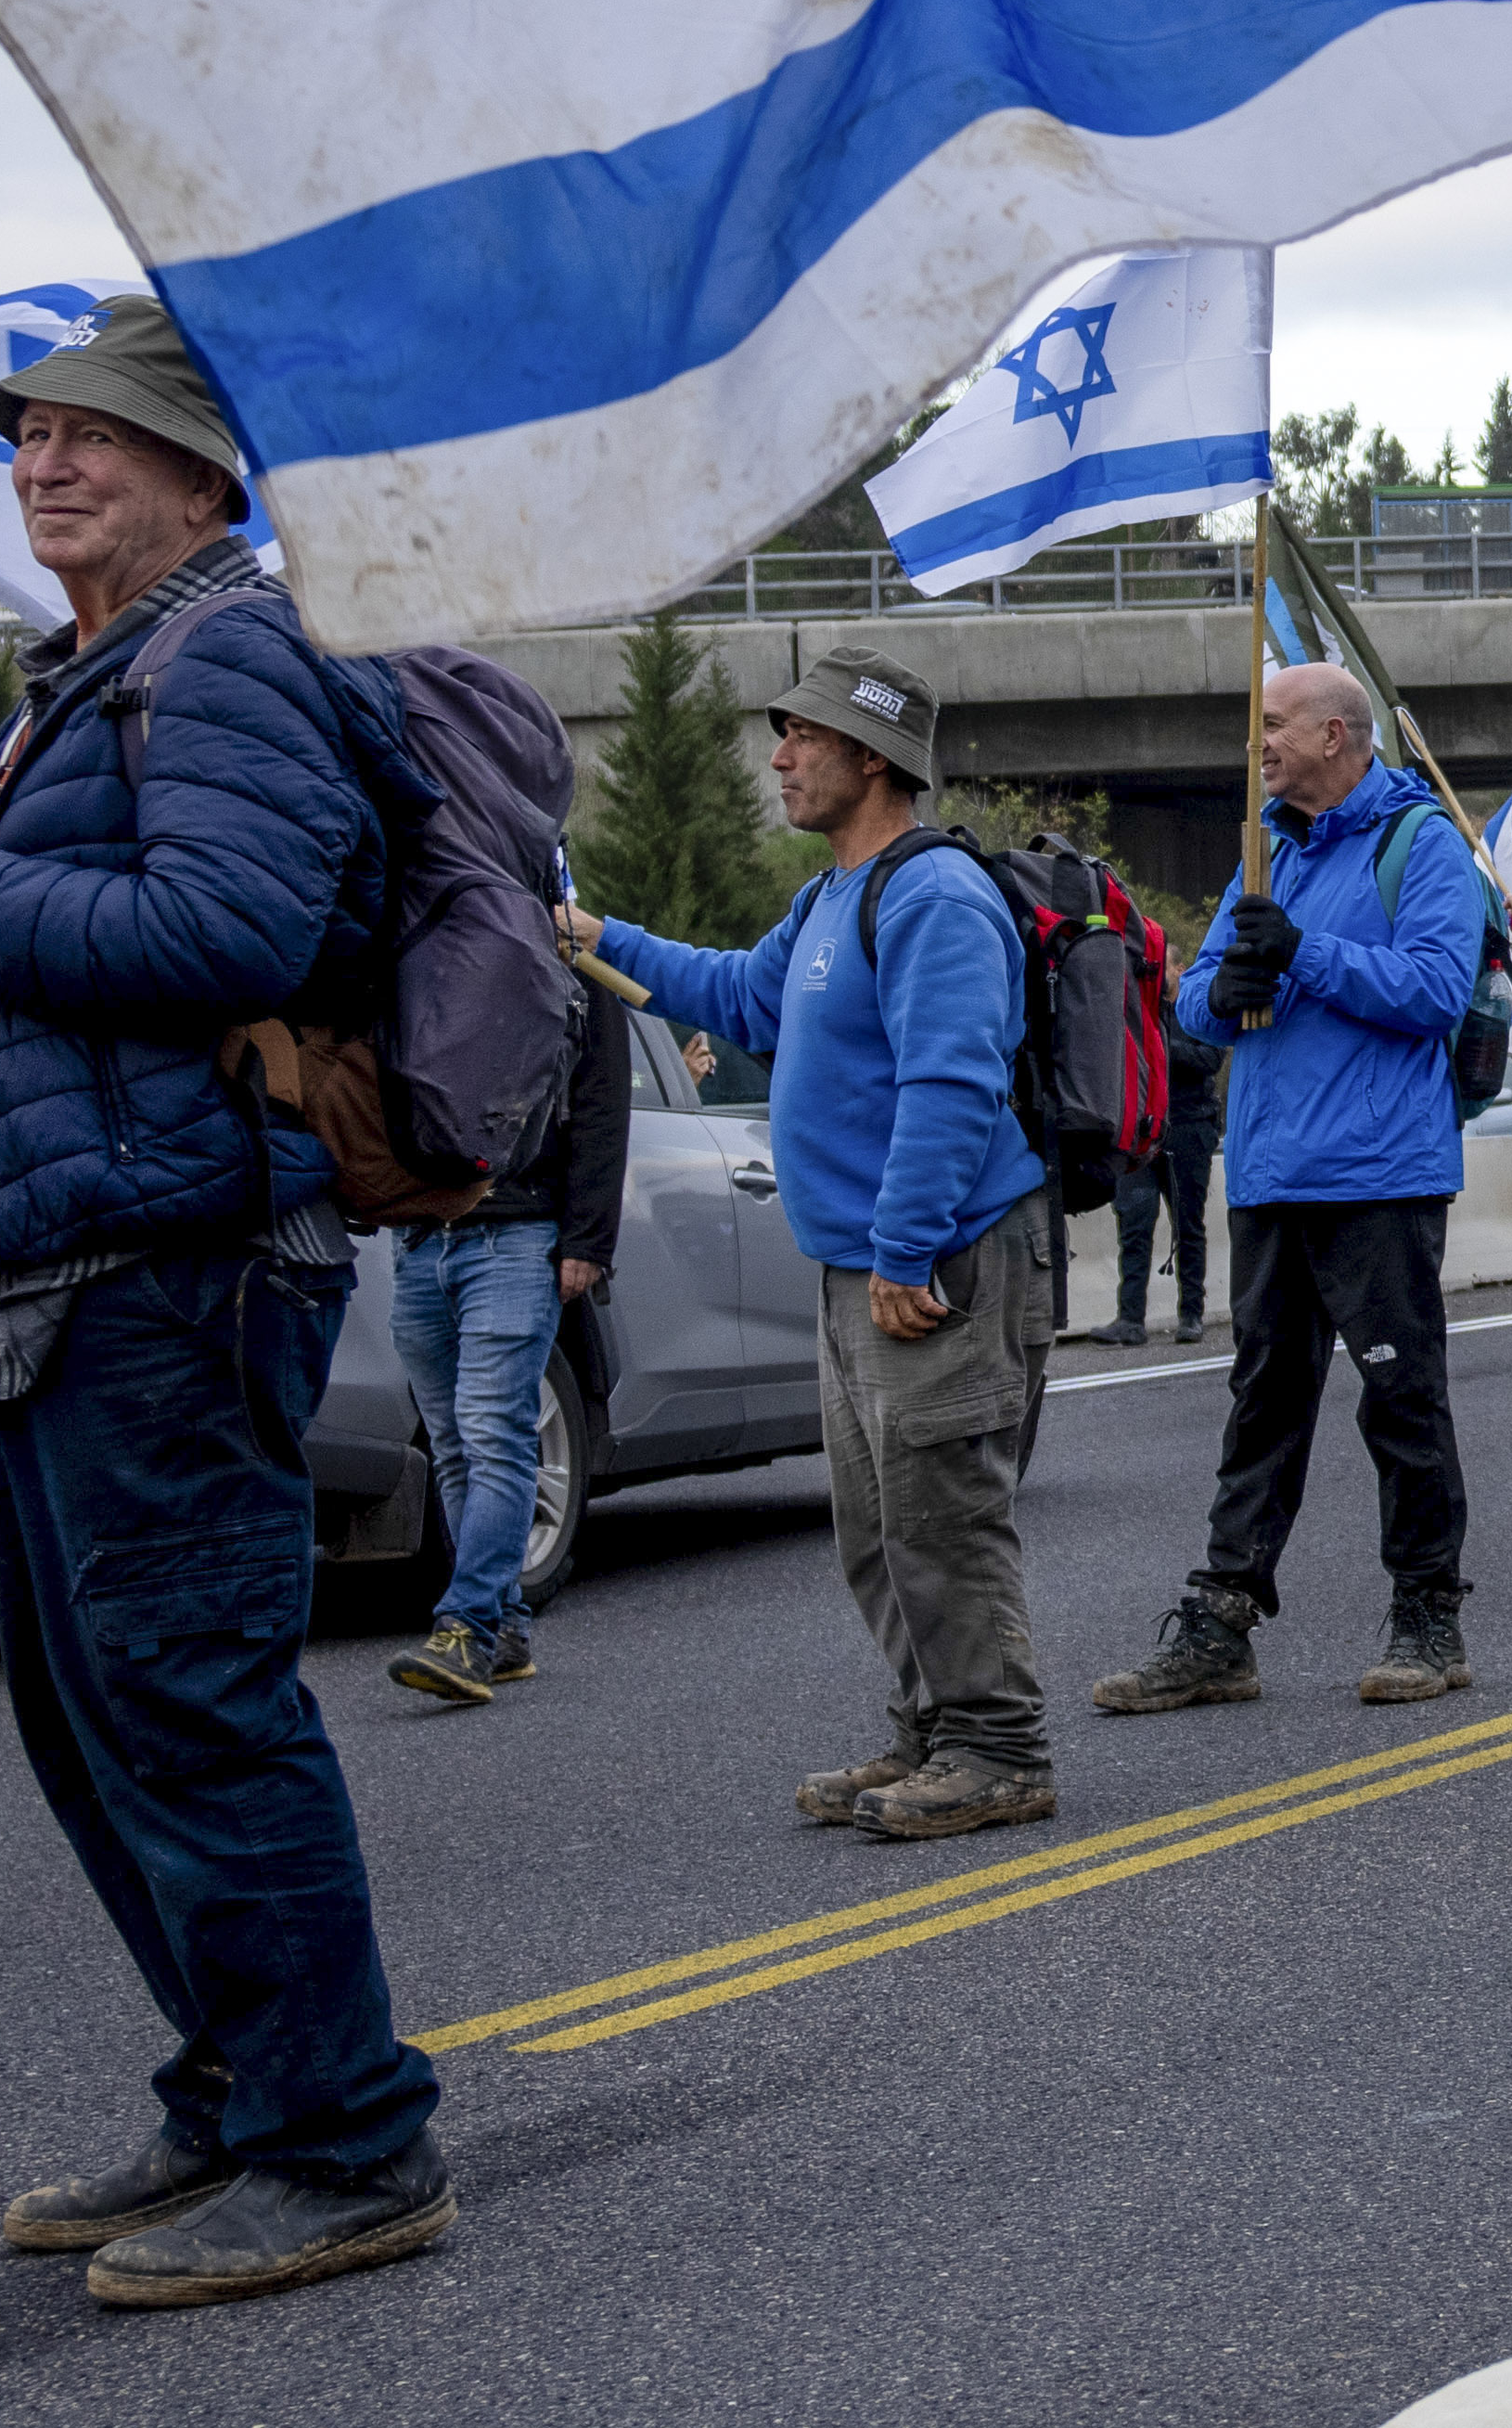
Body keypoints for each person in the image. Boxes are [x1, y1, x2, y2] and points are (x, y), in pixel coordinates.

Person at [0, 297, 450, 2306]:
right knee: (93, 1715)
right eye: (31, 435)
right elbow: (18, 923)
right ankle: (238, 2087)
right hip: (67, 1250)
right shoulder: (93, 677)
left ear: (201, 477)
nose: (44, 464)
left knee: (193, 1701)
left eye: (93, 441)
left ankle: (345, 2138)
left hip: (174, 1253)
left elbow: (231, 928)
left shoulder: (228, 654)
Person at [595, 661, 1058, 1832]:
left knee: (942, 1511)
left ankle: (1000, 1747)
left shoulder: (932, 894)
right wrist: (591, 932)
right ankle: (934, 1731)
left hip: (933, 1263)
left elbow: (951, 1086)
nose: (779, 757)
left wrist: (904, 1252)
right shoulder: (826, 904)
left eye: (802, 736)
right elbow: (732, 995)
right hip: (862, 1265)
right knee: (877, 1524)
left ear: (872, 757)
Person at [1111, 662, 1494, 1715]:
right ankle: (1224, 1619)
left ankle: (1428, 1611)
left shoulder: (1420, 847)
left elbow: (1432, 991)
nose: (1260, 745)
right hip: (1273, 1172)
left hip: (1378, 1176)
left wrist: (1304, 953)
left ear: (1338, 735)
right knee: (1261, 1406)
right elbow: (1195, 1005)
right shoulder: (1263, 849)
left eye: (1274, 726)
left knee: (1400, 1401)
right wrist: (1217, 992)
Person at [380, 915, 632, 1705]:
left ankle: (465, 1627)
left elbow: (600, 1111)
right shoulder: (424, 954)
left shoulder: (574, 971)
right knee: (455, 1445)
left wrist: (587, 1241)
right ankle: (503, 1629)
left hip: (518, 1237)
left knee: (492, 1434)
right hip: (421, 1240)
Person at [1110, 1031, 1225, 1345]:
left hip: (1189, 1127)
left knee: (1187, 1225)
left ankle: (1191, 1315)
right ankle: (1130, 1319)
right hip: (1141, 1131)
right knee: (1135, 1225)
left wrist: (1161, 1045)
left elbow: (1212, 1058)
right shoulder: (1136, 1006)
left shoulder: (1195, 1005)